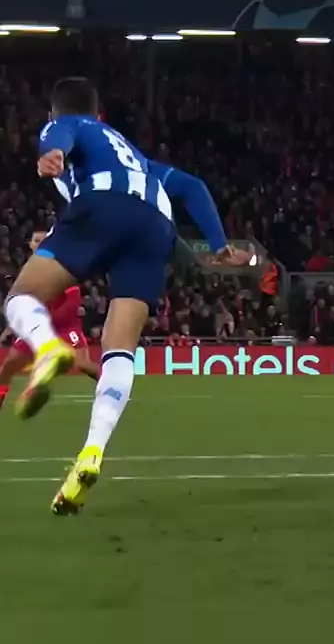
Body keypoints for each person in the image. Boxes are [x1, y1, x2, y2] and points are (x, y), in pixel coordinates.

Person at [3, 77, 249, 516]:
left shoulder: (67, 124)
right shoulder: (135, 157)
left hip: (103, 207)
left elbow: (62, 135)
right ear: (101, 113)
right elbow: (192, 186)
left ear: (56, 112)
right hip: (156, 226)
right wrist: (218, 244)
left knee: (20, 300)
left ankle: (49, 348)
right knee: (119, 348)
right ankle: (92, 451)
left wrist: (51, 152)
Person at [0, 229, 99, 409]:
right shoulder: (27, 270)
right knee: (8, 367)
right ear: (30, 245)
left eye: (42, 240)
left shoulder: (60, 266)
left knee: (83, 365)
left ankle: (112, 386)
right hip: (37, 325)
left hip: (65, 327)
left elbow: (72, 302)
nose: (39, 244)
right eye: (36, 241)